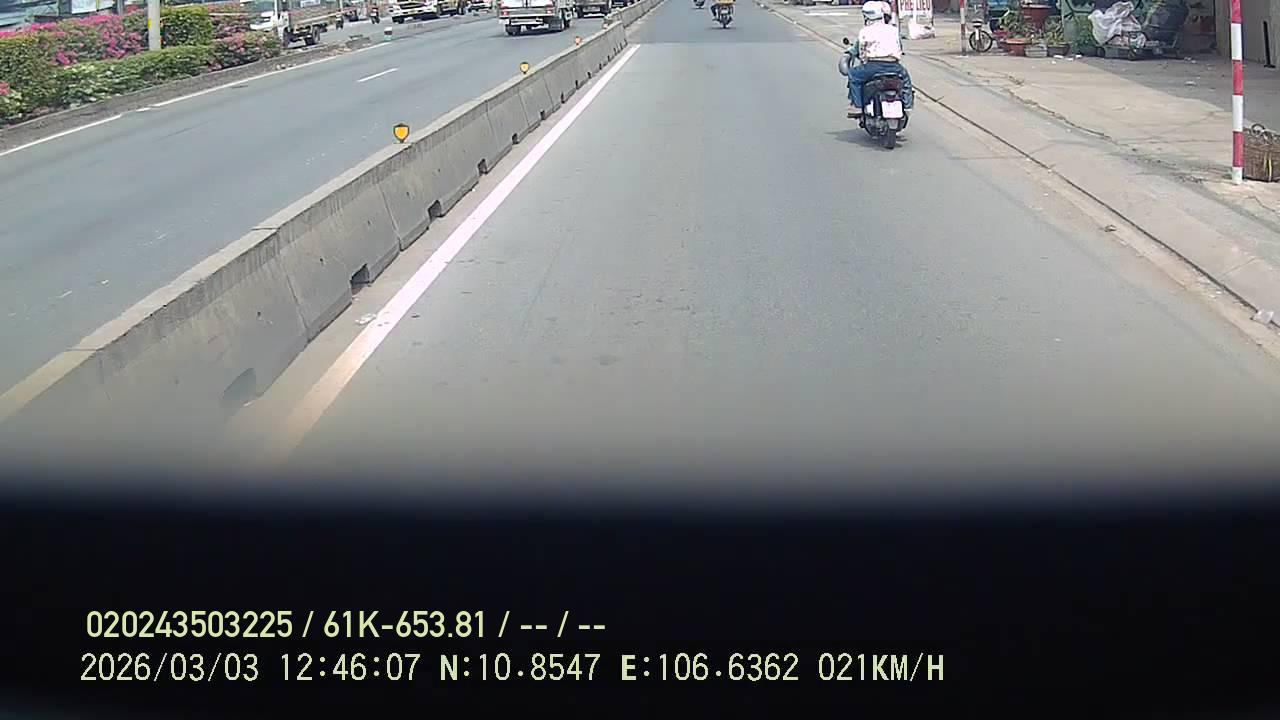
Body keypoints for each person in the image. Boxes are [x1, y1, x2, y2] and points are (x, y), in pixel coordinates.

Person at [845, 2, 913, 118]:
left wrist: (864, 60)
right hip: (894, 66)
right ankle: (907, 106)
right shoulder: (893, 30)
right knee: (906, 80)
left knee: (853, 75)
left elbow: (862, 52)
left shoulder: (865, 31)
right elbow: (899, 47)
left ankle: (857, 106)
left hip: (873, 66)